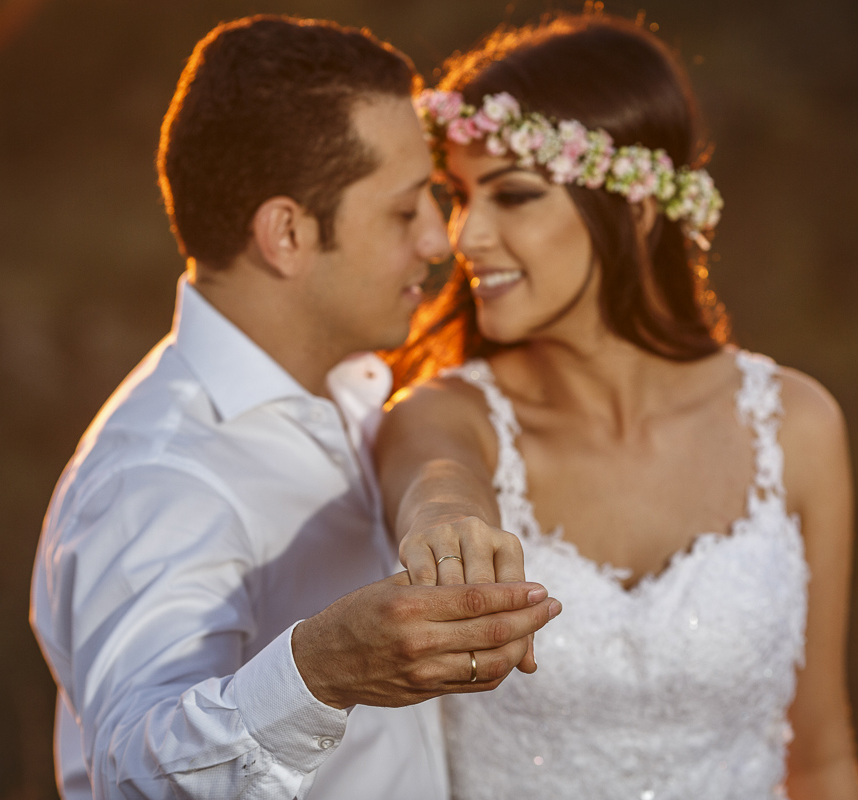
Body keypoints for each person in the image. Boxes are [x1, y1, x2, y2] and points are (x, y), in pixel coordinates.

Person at [29, 15, 561, 800]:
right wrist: (321, 669)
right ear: (286, 233)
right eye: (405, 209)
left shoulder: (359, 393)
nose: (440, 242)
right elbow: (135, 772)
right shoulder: (158, 474)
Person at [376, 13, 858, 799]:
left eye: (515, 196)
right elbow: (437, 475)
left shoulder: (796, 425)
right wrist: (446, 524)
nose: (466, 238)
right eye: (461, 197)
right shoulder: (445, 414)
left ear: (635, 211)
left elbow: (823, 755)